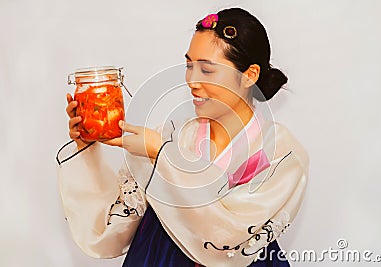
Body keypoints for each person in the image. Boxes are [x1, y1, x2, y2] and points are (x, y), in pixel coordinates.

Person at [57, 7, 309, 267]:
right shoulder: (171, 135)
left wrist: (164, 156)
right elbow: (112, 233)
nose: (192, 80)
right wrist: (85, 145)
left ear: (249, 75)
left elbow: (229, 236)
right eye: (190, 65)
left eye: (207, 70)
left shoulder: (282, 154)